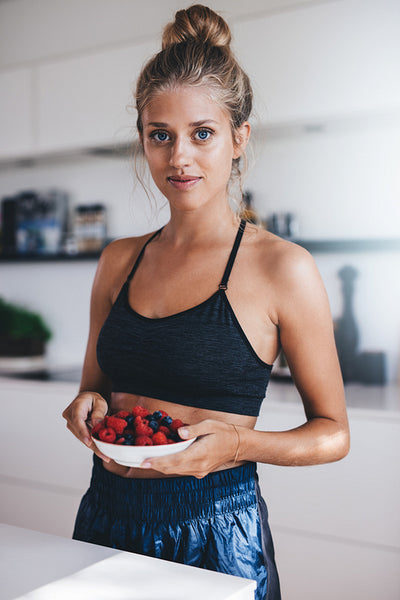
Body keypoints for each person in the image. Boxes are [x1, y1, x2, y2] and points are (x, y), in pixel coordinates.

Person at [62, 5, 350, 599]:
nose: (179, 157)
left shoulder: (281, 268)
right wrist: (85, 407)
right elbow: (94, 388)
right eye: (159, 136)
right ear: (143, 140)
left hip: (215, 530)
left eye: (203, 133)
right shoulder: (119, 259)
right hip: (105, 515)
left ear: (239, 138)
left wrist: (239, 445)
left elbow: (333, 433)